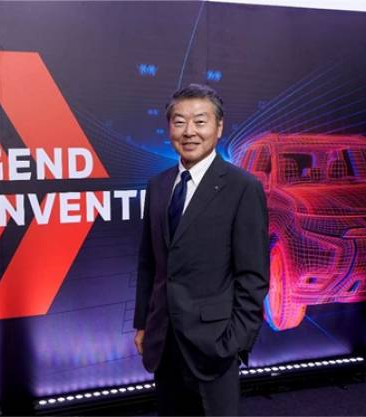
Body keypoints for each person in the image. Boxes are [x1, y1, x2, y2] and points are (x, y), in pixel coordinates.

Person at [133, 84, 269, 416]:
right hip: (164, 340)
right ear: (169, 128)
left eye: (200, 121)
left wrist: (234, 342)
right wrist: (143, 323)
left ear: (219, 127)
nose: (189, 131)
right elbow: (149, 262)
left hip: (214, 344)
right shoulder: (158, 185)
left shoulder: (243, 187)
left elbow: (253, 275)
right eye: (179, 122)